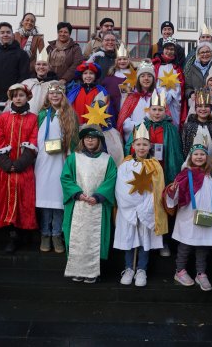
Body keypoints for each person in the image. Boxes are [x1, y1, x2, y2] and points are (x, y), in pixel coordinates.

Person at [164, 134, 212, 292]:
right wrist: (172, 192)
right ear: (191, 157)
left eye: (202, 154)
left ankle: (201, 274)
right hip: (188, 216)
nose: (199, 157)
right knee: (185, 245)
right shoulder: (185, 174)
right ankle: (180, 271)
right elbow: (176, 196)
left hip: (207, 215)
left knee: (203, 247)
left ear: (207, 157)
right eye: (196, 154)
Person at [124, 91, 184, 258]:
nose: (157, 113)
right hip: (142, 174)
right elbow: (129, 148)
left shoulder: (171, 128)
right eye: (154, 109)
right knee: (144, 206)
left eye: (160, 109)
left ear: (165, 111)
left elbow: (176, 152)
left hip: (163, 172)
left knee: (161, 206)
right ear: (148, 110)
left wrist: (174, 174)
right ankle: (144, 239)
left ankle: (162, 240)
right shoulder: (140, 127)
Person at [60, 124, 118, 283]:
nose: (90, 140)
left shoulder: (108, 160)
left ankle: (93, 272)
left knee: (94, 239)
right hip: (78, 204)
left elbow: (111, 180)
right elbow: (66, 178)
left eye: (93, 137)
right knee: (77, 238)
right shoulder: (74, 158)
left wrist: (99, 196)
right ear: (83, 140)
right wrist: (78, 194)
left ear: (99, 140)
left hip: (97, 205)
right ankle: (76, 270)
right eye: (87, 137)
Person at [114, 124, 167, 287]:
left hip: (147, 210)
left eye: (145, 144)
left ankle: (141, 269)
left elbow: (158, 189)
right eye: (138, 144)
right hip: (129, 210)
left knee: (145, 240)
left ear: (150, 146)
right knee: (130, 239)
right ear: (133, 146)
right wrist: (132, 208)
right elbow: (121, 188)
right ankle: (129, 268)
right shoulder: (125, 164)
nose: (142, 147)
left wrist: (145, 208)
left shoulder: (155, 165)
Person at [0, 84, 39, 253]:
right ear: (11, 98)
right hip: (5, 168)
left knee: (24, 199)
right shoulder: (3, 118)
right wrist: (6, 164)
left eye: (21, 95)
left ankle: (22, 234)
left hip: (24, 167)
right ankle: (11, 235)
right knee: (5, 199)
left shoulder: (33, 118)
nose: (18, 98)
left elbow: (33, 141)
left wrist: (19, 164)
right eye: (15, 95)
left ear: (27, 97)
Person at [35, 83, 79, 253]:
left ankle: (56, 234)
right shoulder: (40, 115)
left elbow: (74, 139)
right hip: (43, 161)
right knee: (45, 200)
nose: (54, 96)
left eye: (58, 93)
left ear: (63, 96)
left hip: (61, 160)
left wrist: (70, 154)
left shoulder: (69, 114)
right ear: (47, 96)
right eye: (51, 93)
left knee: (59, 199)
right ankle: (45, 234)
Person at [66, 61, 126, 166]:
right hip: (77, 130)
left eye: (91, 73)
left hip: (95, 131)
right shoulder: (73, 91)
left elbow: (107, 112)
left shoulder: (102, 92)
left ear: (95, 76)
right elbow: (68, 109)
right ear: (81, 76)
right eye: (85, 73)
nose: (88, 76)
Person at [182, 90, 212, 185]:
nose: (203, 109)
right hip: (192, 168)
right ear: (195, 108)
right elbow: (185, 149)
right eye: (200, 106)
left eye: (206, 106)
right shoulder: (188, 127)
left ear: (211, 108)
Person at [0, 22, 31, 109]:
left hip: (14, 101)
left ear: (13, 35)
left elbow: (24, 77)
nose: (5, 35)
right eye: (2, 32)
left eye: (8, 32)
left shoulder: (22, 54)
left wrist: (13, 96)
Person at [6, 47, 59, 114]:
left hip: (45, 119)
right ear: (35, 66)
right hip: (26, 119)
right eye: (38, 64)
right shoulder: (26, 83)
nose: (41, 67)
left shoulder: (55, 84)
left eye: (44, 64)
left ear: (49, 67)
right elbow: (14, 100)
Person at [118, 59, 157, 142]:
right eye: (142, 76)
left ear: (153, 79)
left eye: (149, 76)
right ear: (138, 79)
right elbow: (124, 122)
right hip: (135, 140)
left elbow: (165, 118)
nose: (146, 78)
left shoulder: (158, 97)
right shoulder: (132, 98)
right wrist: (140, 125)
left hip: (155, 139)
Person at [151, 39, 186, 126]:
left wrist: (171, 95)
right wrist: (162, 95)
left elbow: (180, 86)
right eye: (167, 48)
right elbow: (152, 83)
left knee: (173, 125)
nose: (169, 51)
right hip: (158, 101)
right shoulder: (155, 66)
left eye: (172, 49)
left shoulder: (177, 68)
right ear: (163, 49)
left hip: (173, 103)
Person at [100, 43, 134, 116]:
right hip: (112, 109)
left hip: (128, 108)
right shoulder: (111, 75)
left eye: (125, 59)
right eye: (120, 59)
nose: (122, 61)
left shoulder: (134, 75)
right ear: (116, 61)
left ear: (128, 60)